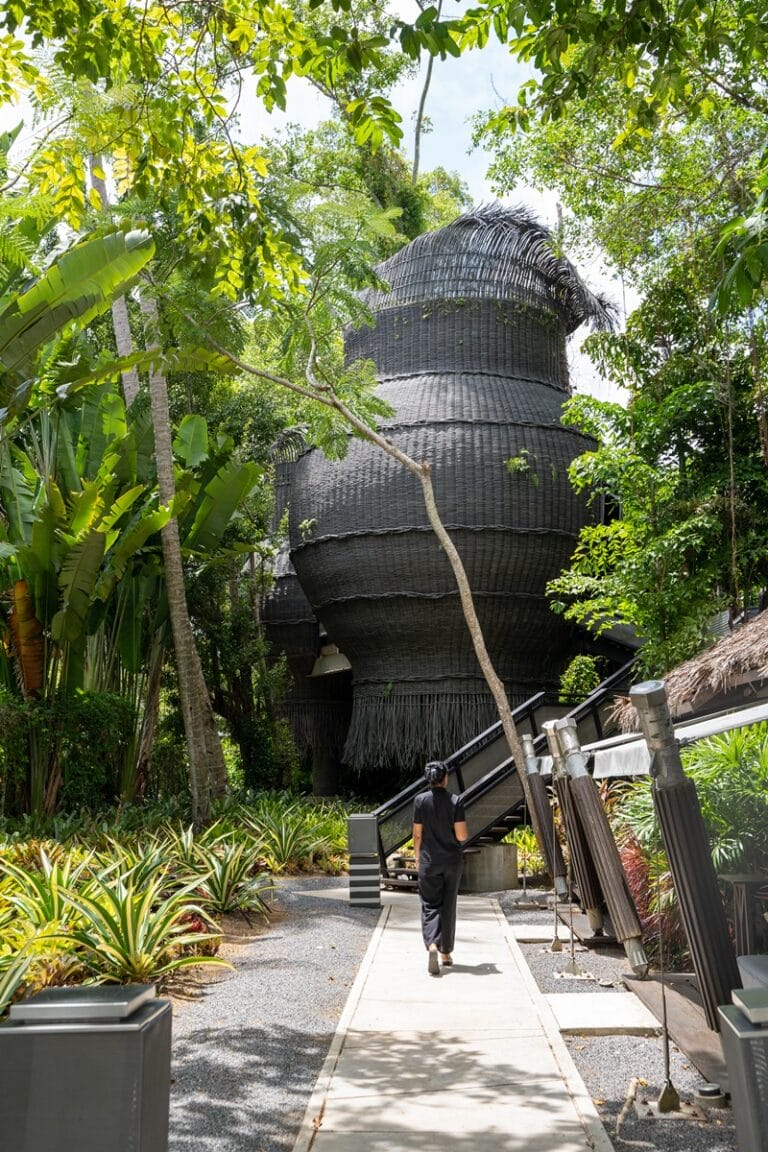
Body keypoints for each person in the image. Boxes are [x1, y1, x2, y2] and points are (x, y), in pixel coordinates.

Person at [412, 760, 469, 976]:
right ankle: (446, 953)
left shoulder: (420, 801)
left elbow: (417, 833)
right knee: (448, 906)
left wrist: (417, 857)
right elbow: (462, 835)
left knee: (429, 905)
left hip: (428, 861)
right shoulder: (456, 801)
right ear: (445, 778)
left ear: (428, 780)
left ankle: (432, 946)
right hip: (452, 861)